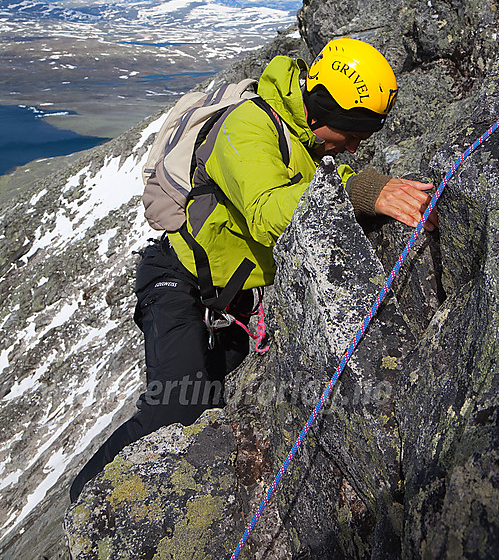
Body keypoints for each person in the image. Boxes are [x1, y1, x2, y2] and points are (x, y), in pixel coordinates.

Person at [70, 37, 437, 502]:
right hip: (177, 281)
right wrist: (362, 196)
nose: (355, 147)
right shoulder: (247, 128)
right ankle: (82, 509)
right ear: (324, 118)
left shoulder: (303, 138)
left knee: (215, 405)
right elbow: (266, 210)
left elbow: (318, 180)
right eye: (354, 136)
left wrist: (371, 186)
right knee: (173, 409)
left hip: (229, 297)